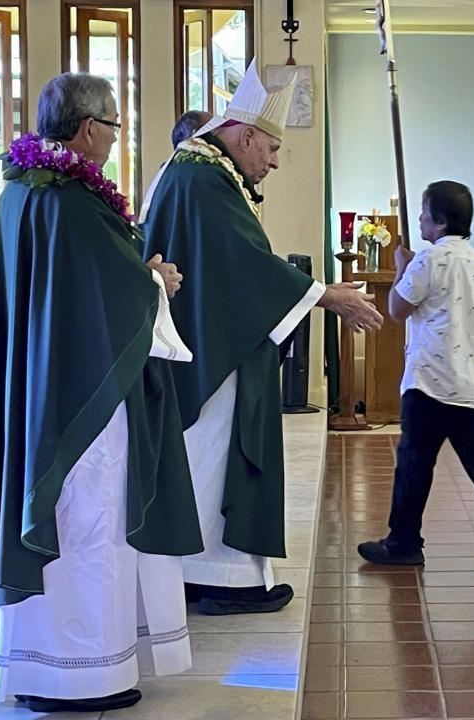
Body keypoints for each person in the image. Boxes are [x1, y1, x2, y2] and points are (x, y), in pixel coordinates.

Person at [0, 73, 203, 712]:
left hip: (38, 394)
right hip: (83, 401)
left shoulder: (21, 194)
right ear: (90, 129)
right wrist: (156, 282)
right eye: (115, 126)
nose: (116, 138)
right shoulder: (70, 200)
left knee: (68, 515)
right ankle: (82, 673)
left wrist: (136, 275)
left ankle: (39, 667)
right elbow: (108, 294)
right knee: (88, 518)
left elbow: (73, 289)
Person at [140, 59, 383, 616]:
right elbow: (244, 264)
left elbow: (236, 264)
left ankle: (211, 574)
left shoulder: (205, 172)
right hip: (209, 347)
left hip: (214, 336)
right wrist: (327, 294)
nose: (272, 163)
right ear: (245, 135)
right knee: (211, 453)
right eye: (271, 150)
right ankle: (215, 578)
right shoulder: (202, 177)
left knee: (213, 454)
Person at [357, 181, 474, 573]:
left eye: (424, 213)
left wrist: (403, 268)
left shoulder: (428, 260)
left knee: (414, 463)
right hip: (471, 381)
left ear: (438, 221)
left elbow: (397, 309)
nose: (419, 219)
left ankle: (403, 542)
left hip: (431, 381)